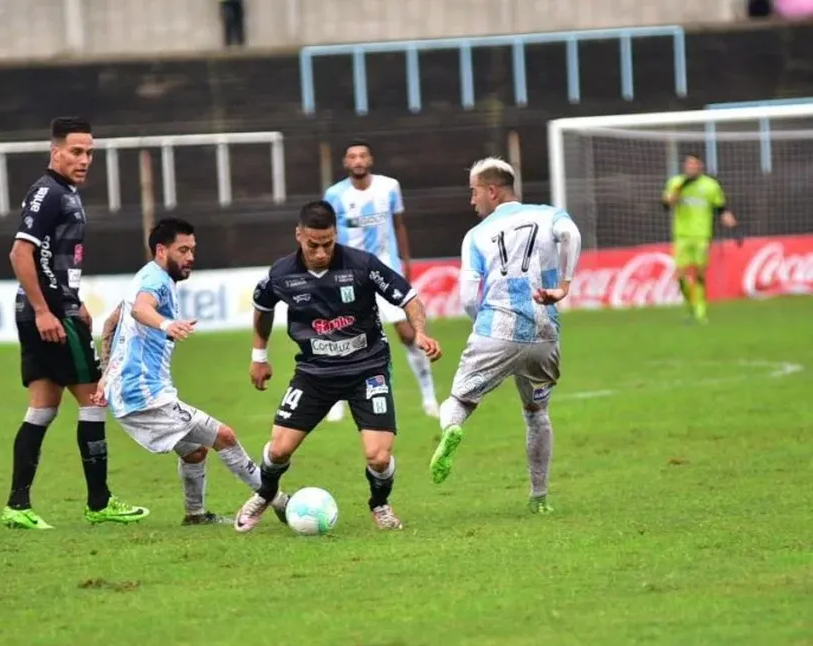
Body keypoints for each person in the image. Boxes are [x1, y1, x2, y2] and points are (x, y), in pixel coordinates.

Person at [233, 201, 443, 533]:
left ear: (336, 235)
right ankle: (267, 492)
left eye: (327, 243)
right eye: (312, 244)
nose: (320, 252)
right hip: (314, 374)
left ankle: (380, 504)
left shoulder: (362, 265)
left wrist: (419, 332)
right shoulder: (282, 274)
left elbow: (409, 297)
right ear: (299, 235)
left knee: (379, 457)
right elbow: (263, 306)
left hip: (367, 370)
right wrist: (259, 356)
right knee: (278, 450)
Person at [92, 218, 289, 526]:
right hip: (144, 395)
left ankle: (195, 515)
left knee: (196, 451)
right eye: (182, 250)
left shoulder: (146, 276)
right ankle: (278, 501)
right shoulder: (155, 283)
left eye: (192, 250)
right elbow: (139, 310)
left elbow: (110, 323)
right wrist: (167, 324)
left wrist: (106, 375)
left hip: (131, 390)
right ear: (161, 250)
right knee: (224, 436)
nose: (190, 257)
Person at [2, 116, 147, 530]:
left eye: (89, 153)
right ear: (56, 152)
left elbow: (49, 256)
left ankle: (17, 505)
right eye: (76, 152)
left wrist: (74, 300)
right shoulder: (49, 193)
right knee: (95, 400)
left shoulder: (63, 192)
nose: (84, 160)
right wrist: (48, 309)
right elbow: (20, 253)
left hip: (54, 309)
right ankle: (99, 502)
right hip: (48, 315)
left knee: (43, 409)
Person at [428, 158, 582, 514]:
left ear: (492, 191)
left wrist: (483, 326)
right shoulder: (548, 214)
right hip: (544, 331)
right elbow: (571, 236)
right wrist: (564, 286)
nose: (472, 200)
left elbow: (467, 297)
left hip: (494, 331)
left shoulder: (475, 236)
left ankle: (452, 428)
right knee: (537, 414)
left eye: (474, 191)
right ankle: (538, 497)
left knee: (458, 402)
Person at [322, 139, 439, 421]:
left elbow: (399, 226)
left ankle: (429, 396)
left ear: (370, 159)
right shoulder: (334, 195)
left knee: (408, 334)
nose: (358, 160)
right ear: (346, 163)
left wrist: (406, 263)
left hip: (385, 271)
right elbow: (328, 235)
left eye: (363, 155)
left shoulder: (389, 187)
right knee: (339, 338)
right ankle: (336, 400)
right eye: (352, 156)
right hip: (348, 275)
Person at [662, 153, 737, 324]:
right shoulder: (676, 183)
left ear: (700, 166)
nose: (691, 167)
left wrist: (728, 218)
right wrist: (675, 194)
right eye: (689, 164)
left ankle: (700, 312)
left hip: (702, 235)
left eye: (695, 164)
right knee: (680, 275)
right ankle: (690, 305)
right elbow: (666, 204)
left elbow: (720, 208)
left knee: (699, 272)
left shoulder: (710, 186)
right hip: (681, 235)